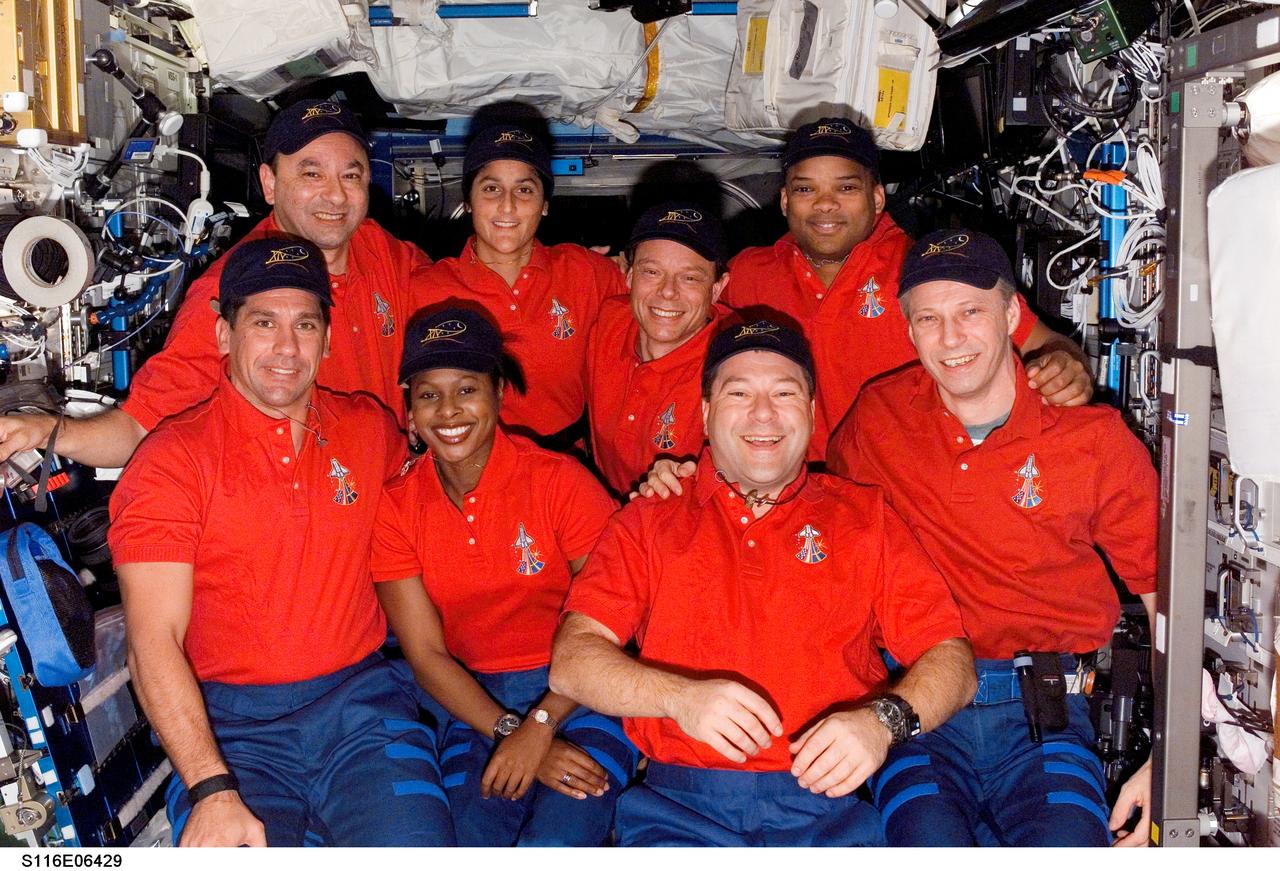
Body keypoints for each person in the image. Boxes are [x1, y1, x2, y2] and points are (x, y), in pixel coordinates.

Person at [549, 319, 977, 847]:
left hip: (831, 812)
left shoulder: (865, 518)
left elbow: (953, 662)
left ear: (812, 412)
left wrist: (882, 721)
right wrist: (680, 698)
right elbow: (572, 662)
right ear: (705, 414)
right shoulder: (649, 520)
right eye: (739, 394)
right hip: (678, 813)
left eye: (783, 392)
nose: (763, 414)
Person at [107, 238, 453, 847]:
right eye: (263, 323)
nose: (287, 348)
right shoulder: (171, 462)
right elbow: (150, 643)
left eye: (305, 325)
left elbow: (451, 504)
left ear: (326, 338)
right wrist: (211, 788)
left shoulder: (369, 430)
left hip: (363, 716)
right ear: (222, 336)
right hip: (232, 733)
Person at [826, 228, 1157, 847]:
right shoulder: (878, 419)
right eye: (929, 319)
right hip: (917, 708)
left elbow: (1166, 603)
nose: (950, 339)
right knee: (921, 841)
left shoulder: (1094, 441)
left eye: (970, 312)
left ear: (1011, 315)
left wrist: (1167, 758)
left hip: (1047, 717)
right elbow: (807, 519)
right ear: (909, 331)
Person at [0, 98, 432, 468]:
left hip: (396, 502)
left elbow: (453, 315)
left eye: (350, 176)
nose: (336, 196)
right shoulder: (227, 293)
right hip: (312, 524)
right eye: (311, 174)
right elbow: (141, 425)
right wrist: (47, 432)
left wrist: (427, 392)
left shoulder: (382, 251)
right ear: (269, 183)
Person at [371, 306, 638, 846]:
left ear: (497, 391)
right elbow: (426, 656)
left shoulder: (560, 483)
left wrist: (541, 726)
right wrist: (510, 731)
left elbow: (615, 627)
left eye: (467, 389)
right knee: (468, 837)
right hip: (474, 704)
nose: (448, 410)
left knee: (561, 838)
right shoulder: (396, 508)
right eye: (428, 394)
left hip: (586, 691)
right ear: (410, 408)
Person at [723, 116, 1093, 456]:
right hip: (789, 498)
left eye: (846, 187)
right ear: (785, 200)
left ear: (877, 198)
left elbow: (1047, 345)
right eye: (806, 189)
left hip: (905, 493)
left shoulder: (934, 271)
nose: (825, 205)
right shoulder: (748, 273)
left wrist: (1065, 366)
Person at [422, 123, 627, 447]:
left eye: (525, 189)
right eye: (491, 188)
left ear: (544, 203)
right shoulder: (424, 291)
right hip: (468, 465)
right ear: (469, 200)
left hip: (566, 460)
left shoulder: (589, 273)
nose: (507, 205)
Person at [586, 201, 735, 496]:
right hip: (603, 506)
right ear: (628, 274)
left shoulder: (735, 369)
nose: (667, 291)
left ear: (717, 288)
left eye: (690, 278)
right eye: (652, 272)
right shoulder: (608, 319)